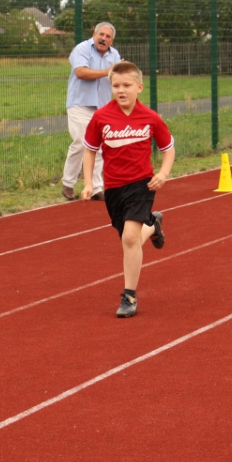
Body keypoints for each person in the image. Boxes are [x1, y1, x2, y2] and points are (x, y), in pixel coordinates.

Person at [81, 61, 175, 318]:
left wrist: (163, 174)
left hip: (142, 185)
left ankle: (129, 296)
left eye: (126, 85)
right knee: (129, 238)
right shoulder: (101, 117)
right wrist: (89, 183)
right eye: (115, 86)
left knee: (130, 239)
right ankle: (154, 226)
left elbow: (168, 150)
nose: (121, 90)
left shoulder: (151, 118)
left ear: (139, 87)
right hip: (113, 188)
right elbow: (89, 150)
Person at [62, 22, 121, 201]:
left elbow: (117, 76)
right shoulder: (81, 49)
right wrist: (107, 71)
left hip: (102, 106)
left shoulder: (115, 54)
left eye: (107, 36)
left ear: (112, 40)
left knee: (100, 147)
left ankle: (96, 188)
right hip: (79, 104)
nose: (103, 38)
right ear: (94, 35)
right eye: (100, 34)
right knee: (81, 142)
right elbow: (81, 72)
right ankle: (68, 183)